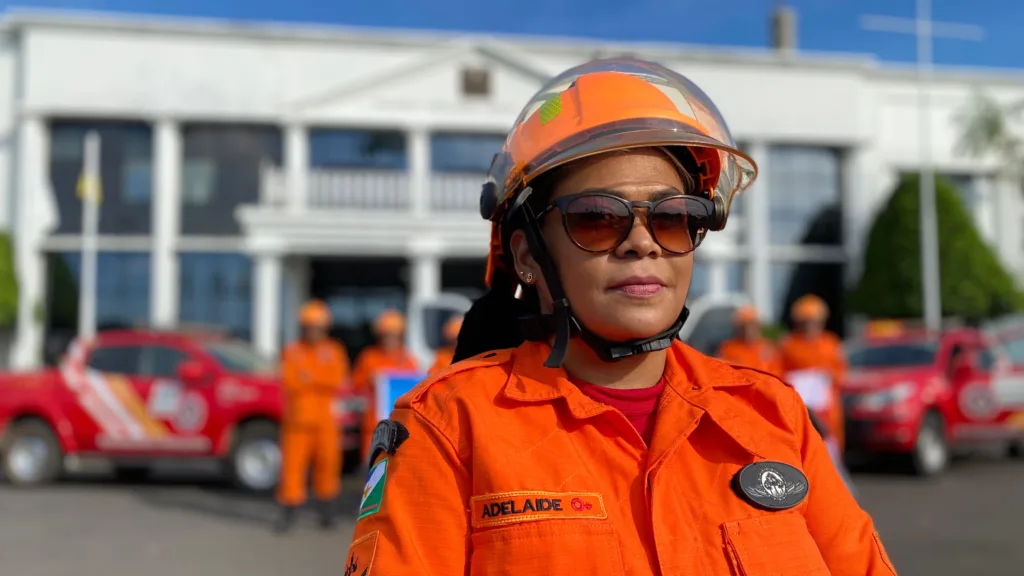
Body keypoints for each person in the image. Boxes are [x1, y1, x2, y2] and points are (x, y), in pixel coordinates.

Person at [344, 58, 896, 575]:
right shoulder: (447, 426)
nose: (641, 243)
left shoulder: (773, 416)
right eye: (596, 217)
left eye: (674, 217)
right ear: (528, 257)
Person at [274, 300, 348, 534]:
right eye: (309, 326)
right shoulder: (292, 351)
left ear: (325, 328)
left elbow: (336, 380)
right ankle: (288, 514)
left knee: (328, 466)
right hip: (297, 422)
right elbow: (289, 380)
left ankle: (327, 514)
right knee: (292, 469)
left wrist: (310, 378)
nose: (312, 331)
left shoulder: (334, 350)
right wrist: (317, 379)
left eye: (317, 327)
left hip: (326, 421)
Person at [779, 294, 848, 451]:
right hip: (799, 408)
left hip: (828, 410)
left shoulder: (830, 343)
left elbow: (842, 373)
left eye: (814, 321)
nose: (810, 326)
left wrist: (831, 377)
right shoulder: (789, 344)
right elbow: (778, 373)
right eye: (806, 322)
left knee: (831, 452)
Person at [351, 309, 420, 461]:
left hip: (399, 426)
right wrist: (370, 380)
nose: (389, 339)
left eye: (393, 335)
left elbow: (414, 389)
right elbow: (356, 384)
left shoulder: (408, 360)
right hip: (373, 425)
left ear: (400, 336)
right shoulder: (369, 357)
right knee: (373, 474)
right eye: (386, 334)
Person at [716, 305, 782, 376]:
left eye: (751, 325)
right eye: (743, 326)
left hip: (765, 385)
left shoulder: (768, 347)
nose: (748, 330)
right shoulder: (728, 348)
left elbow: (779, 373)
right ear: (738, 328)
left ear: (757, 325)